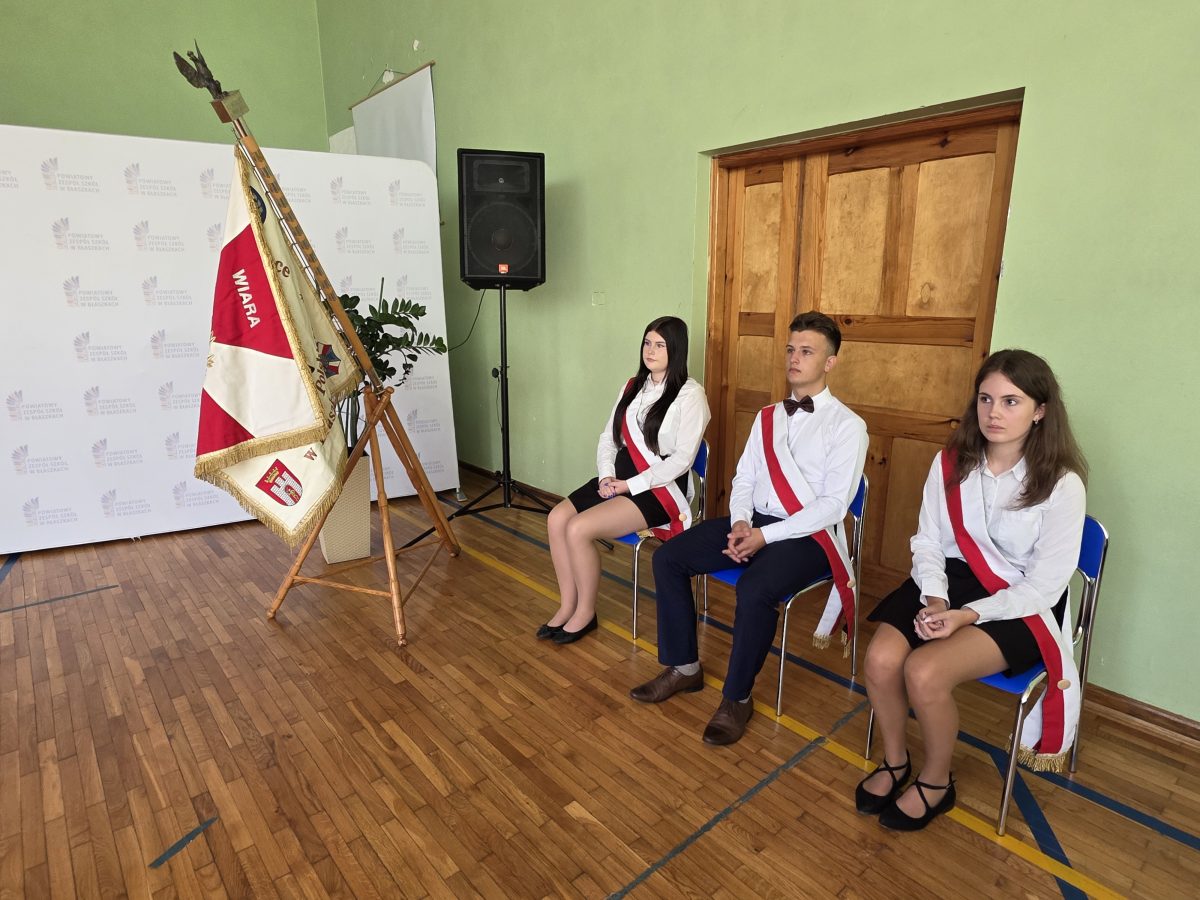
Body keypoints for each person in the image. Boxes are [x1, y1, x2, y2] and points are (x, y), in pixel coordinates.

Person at [856, 349, 1088, 831]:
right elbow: (928, 541)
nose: (993, 412)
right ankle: (896, 761)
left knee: (924, 671)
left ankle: (937, 782)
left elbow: (1045, 585)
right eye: (985, 399)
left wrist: (968, 615)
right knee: (879, 659)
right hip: (950, 581)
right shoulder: (950, 463)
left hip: (1022, 601)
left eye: (1010, 401)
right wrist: (936, 598)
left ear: (1040, 411)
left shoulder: (1062, 485)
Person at [630, 312, 868, 745]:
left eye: (807, 352)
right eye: (791, 350)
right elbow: (744, 478)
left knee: (754, 588)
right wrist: (741, 521)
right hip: (754, 522)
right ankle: (684, 667)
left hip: (809, 538)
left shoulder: (849, 426)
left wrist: (763, 537)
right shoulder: (767, 416)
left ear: (830, 362)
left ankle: (736, 698)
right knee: (669, 557)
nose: (794, 358)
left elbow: (834, 506)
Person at [539, 316, 710, 644]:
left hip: (658, 490)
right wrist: (607, 475)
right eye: (647, 343)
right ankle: (567, 605)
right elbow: (609, 437)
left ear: (676, 350)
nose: (650, 350)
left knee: (578, 529)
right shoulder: (632, 387)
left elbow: (682, 461)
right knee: (557, 518)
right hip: (618, 478)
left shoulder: (691, 395)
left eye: (660, 345)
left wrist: (629, 486)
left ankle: (585, 613)